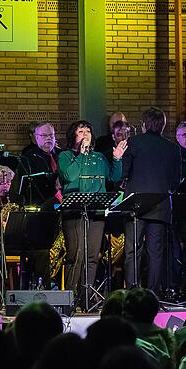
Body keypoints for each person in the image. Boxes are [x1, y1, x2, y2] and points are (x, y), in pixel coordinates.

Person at [58, 120, 125, 302]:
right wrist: (81, 154)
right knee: (76, 254)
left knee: (92, 255)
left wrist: (117, 159)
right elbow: (69, 176)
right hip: (74, 212)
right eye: (81, 131)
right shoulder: (65, 156)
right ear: (73, 136)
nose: (85, 134)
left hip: (96, 211)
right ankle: (70, 298)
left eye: (88, 130)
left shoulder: (99, 157)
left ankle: (86, 296)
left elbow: (114, 178)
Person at [121, 107, 181, 295]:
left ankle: (132, 291)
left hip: (135, 205)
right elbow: (175, 180)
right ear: (162, 126)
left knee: (133, 250)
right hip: (160, 205)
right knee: (156, 253)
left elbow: (123, 174)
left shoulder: (133, 143)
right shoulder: (173, 148)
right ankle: (153, 293)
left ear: (144, 124)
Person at [10, 121, 62, 209]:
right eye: (44, 135)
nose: (49, 138)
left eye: (51, 135)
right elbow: (26, 183)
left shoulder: (62, 154)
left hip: (61, 199)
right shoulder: (28, 157)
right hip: (39, 201)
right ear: (36, 137)